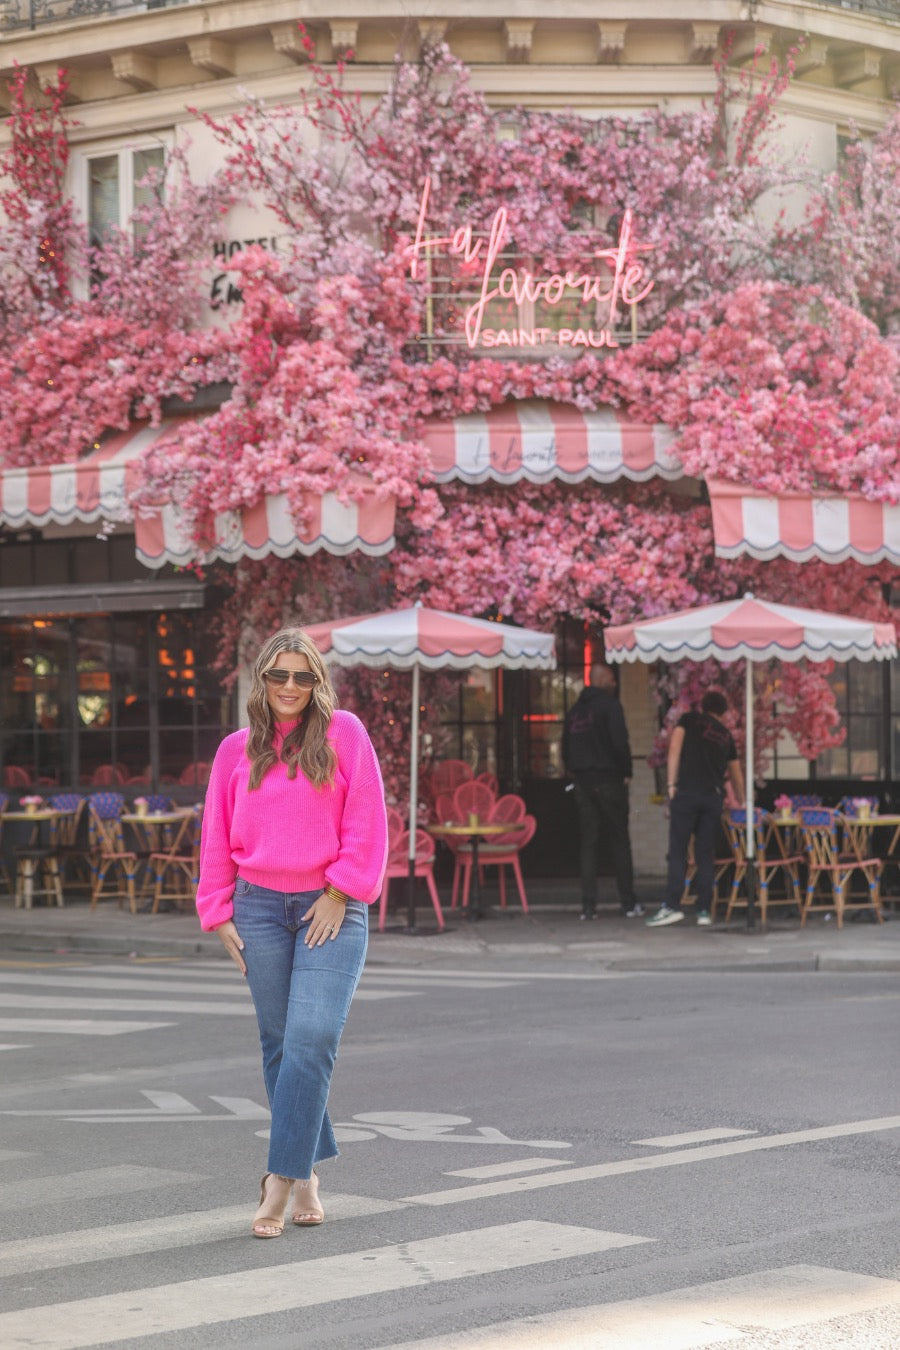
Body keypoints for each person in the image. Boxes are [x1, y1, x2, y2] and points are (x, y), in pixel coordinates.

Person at [196, 626, 388, 1238]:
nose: (289, 687)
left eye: (302, 676)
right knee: (281, 1044)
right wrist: (217, 909)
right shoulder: (235, 750)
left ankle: (278, 1178)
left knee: (310, 1038)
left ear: (317, 682)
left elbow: (367, 822)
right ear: (262, 678)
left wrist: (339, 892)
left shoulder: (345, 735)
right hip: (256, 909)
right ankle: (307, 1173)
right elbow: (214, 832)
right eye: (278, 675)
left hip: (330, 906)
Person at [646, 689, 744, 928]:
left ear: (704, 707)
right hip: (713, 798)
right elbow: (735, 773)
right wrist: (743, 800)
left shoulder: (688, 720)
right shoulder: (725, 735)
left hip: (687, 794)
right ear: (723, 713)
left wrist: (670, 784)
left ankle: (672, 906)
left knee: (679, 851)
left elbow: (674, 751)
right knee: (705, 855)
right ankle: (703, 911)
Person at [562, 663, 642, 920]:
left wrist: (574, 771)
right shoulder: (610, 706)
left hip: (583, 782)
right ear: (601, 680)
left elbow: (565, 746)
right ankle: (628, 903)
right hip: (609, 779)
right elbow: (620, 743)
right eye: (611, 679)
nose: (615, 684)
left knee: (589, 843)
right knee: (620, 840)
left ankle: (588, 907)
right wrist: (626, 771)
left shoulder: (575, 711)